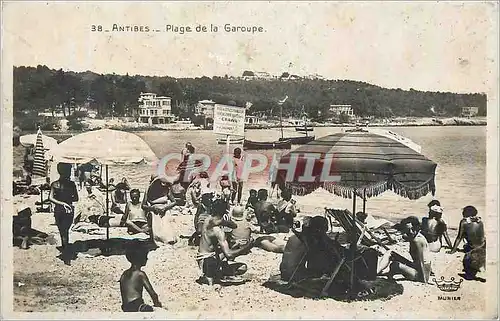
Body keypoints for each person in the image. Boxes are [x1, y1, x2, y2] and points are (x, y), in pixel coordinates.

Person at [196, 198, 252, 285]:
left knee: (234, 252)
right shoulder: (218, 231)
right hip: (208, 260)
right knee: (242, 267)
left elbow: (233, 225)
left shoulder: (208, 220)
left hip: (202, 257)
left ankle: (214, 274)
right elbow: (229, 255)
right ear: (225, 212)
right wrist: (248, 246)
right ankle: (214, 275)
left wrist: (225, 223)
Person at [377, 216, 432, 283]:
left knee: (395, 265)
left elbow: (421, 261)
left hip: (420, 274)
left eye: (413, 229)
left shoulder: (417, 240)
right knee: (390, 253)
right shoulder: (415, 236)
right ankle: (377, 271)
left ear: (417, 228)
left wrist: (424, 279)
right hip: (416, 267)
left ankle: (384, 274)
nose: (411, 232)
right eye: (408, 231)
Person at [48, 162, 79, 265]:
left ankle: (65, 253)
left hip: (59, 209)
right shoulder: (71, 184)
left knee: (62, 232)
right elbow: (76, 198)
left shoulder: (54, 184)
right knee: (66, 231)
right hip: (69, 209)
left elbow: (50, 198)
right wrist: (67, 202)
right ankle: (66, 255)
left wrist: (61, 203)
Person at [447, 205, 486, 281]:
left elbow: (459, 238)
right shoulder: (480, 222)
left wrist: (453, 250)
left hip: (473, 251)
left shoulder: (464, 222)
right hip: (483, 247)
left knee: (467, 264)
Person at [120, 247, 162, 312]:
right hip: (136, 305)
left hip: (125, 307)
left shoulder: (124, 274)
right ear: (139, 259)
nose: (147, 259)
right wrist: (158, 304)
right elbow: (152, 293)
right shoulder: (140, 274)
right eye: (145, 257)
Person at [142, 176, 178, 245]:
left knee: (167, 221)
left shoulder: (166, 189)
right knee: (155, 220)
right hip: (154, 211)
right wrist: (153, 208)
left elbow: (174, 202)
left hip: (165, 210)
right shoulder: (149, 190)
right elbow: (143, 206)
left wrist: (165, 208)